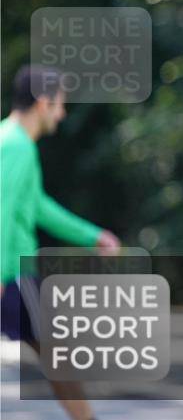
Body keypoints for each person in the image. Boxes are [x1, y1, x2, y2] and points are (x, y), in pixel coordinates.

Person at [1, 65, 121, 420]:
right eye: (59, 105)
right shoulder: (17, 146)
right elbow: (3, 210)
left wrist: (92, 236)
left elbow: (36, 205)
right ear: (42, 102)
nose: (62, 113)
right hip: (12, 276)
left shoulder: (10, 141)